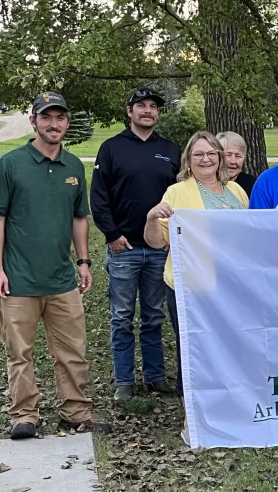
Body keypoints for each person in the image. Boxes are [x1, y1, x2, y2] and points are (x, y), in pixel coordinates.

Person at [0, 92, 112, 439]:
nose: (53, 124)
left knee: (73, 352)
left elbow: (79, 217)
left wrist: (84, 261)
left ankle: (76, 413)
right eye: (46, 117)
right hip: (18, 281)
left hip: (62, 280)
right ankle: (24, 415)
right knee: (19, 353)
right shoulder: (10, 164)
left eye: (60, 118)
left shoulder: (73, 167)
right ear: (34, 122)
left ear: (67, 123)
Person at [143, 131, 248, 445]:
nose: (206, 159)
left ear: (220, 157)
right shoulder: (176, 193)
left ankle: (230, 411)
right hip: (190, 286)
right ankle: (195, 418)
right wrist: (151, 218)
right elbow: (157, 241)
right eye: (199, 154)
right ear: (188, 159)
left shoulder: (238, 192)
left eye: (212, 154)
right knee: (196, 351)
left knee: (229, 348)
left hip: (231, 287)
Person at [90, 87, 180, 403]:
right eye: (140, 105)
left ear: (158, 113)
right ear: (129, 112)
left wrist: (173, 238)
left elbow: (180, 197)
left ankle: (155, 377)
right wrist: (112, 235)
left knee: (154, 315)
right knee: (122, 316)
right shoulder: (112, 148)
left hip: (160, 248)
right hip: (124, 247)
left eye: (153, 106)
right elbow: (98, 198)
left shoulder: (170, 149)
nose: (147, 110)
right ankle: (124, 381)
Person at [217, 131, 257, 197]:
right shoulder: (207, 183)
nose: (233, 161)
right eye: (228, 155)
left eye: (238, 156)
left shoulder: (251, 184)